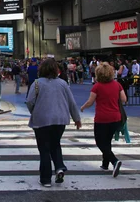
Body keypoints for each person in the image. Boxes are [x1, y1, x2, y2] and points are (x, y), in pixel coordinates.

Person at [26, 59, 82, 187]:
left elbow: (29, 101)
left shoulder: (36, 83)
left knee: (44, 149)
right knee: (55, 144)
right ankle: (59, 167)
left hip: (41, 120)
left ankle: (45, 179)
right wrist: (77, 119)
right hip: (60, 119)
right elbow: (71, 102)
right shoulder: (63, 83)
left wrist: (34, 111)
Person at [80, 62, 126, 178]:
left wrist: (83, 107)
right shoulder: (117, 85)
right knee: (107, 141)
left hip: (102, 117)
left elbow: (90, 102)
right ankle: (105, 164)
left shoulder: (97, 86)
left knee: (100, 142)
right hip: (116, 117)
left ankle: (114, 161)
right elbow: (124, 99)